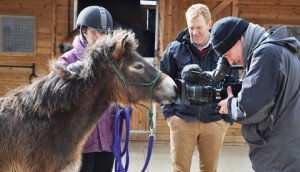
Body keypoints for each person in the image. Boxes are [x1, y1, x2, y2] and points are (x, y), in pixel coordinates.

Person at [210, 16, 300, 171]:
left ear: (239, 39)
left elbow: (251, 109)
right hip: (286, 148)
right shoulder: (278, 50)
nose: (230, 61)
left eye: (226, 54)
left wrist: (230, 104)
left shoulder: (267, 53)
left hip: (278, 155)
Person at [160, 3, 236, 172]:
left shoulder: (223, 50)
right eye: (191, 27)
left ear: (210, 24)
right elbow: (163, 83)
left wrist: (227, 119)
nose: (194, 32)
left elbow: (233, 84)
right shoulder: (174, 49)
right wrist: (169, 116)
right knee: (179, 169)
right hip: (182, 120)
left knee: (210, 169)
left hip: (215, 121)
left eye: (199, 27)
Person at [56, 6, 117, 172]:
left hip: (107, 139)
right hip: (80, 142)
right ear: (83, 30)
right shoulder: (66, 61)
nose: (99, 37)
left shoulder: (112, 62)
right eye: (95, 32)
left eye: (104, 33)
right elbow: (58, 99)